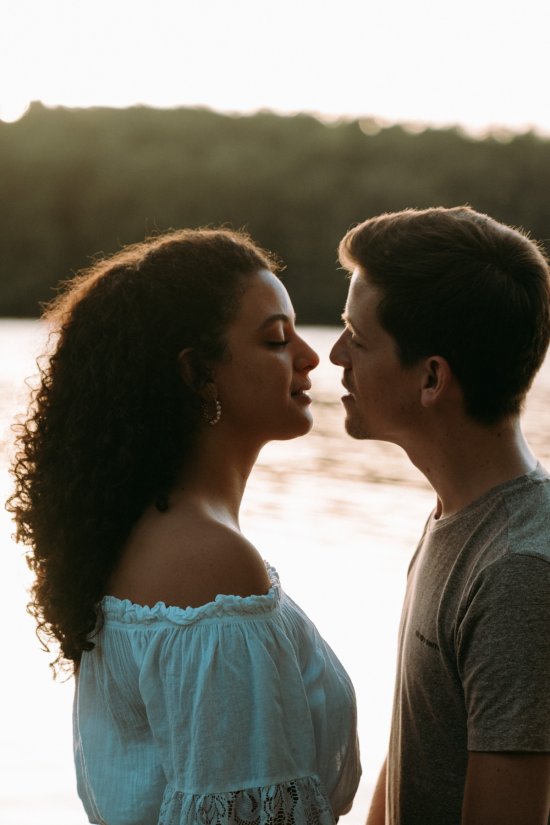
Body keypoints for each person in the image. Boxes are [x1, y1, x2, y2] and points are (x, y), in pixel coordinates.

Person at [8, 228, 361, 825]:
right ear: (199, 375)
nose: (310, 355)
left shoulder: (152, 532)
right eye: (276, 338)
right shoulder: (207, 564)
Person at [330, 206, 550, 825]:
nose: (336, 354)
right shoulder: (458, 517)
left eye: (357, 335)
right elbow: (417, 758)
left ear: (431, 378)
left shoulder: (520, 572)